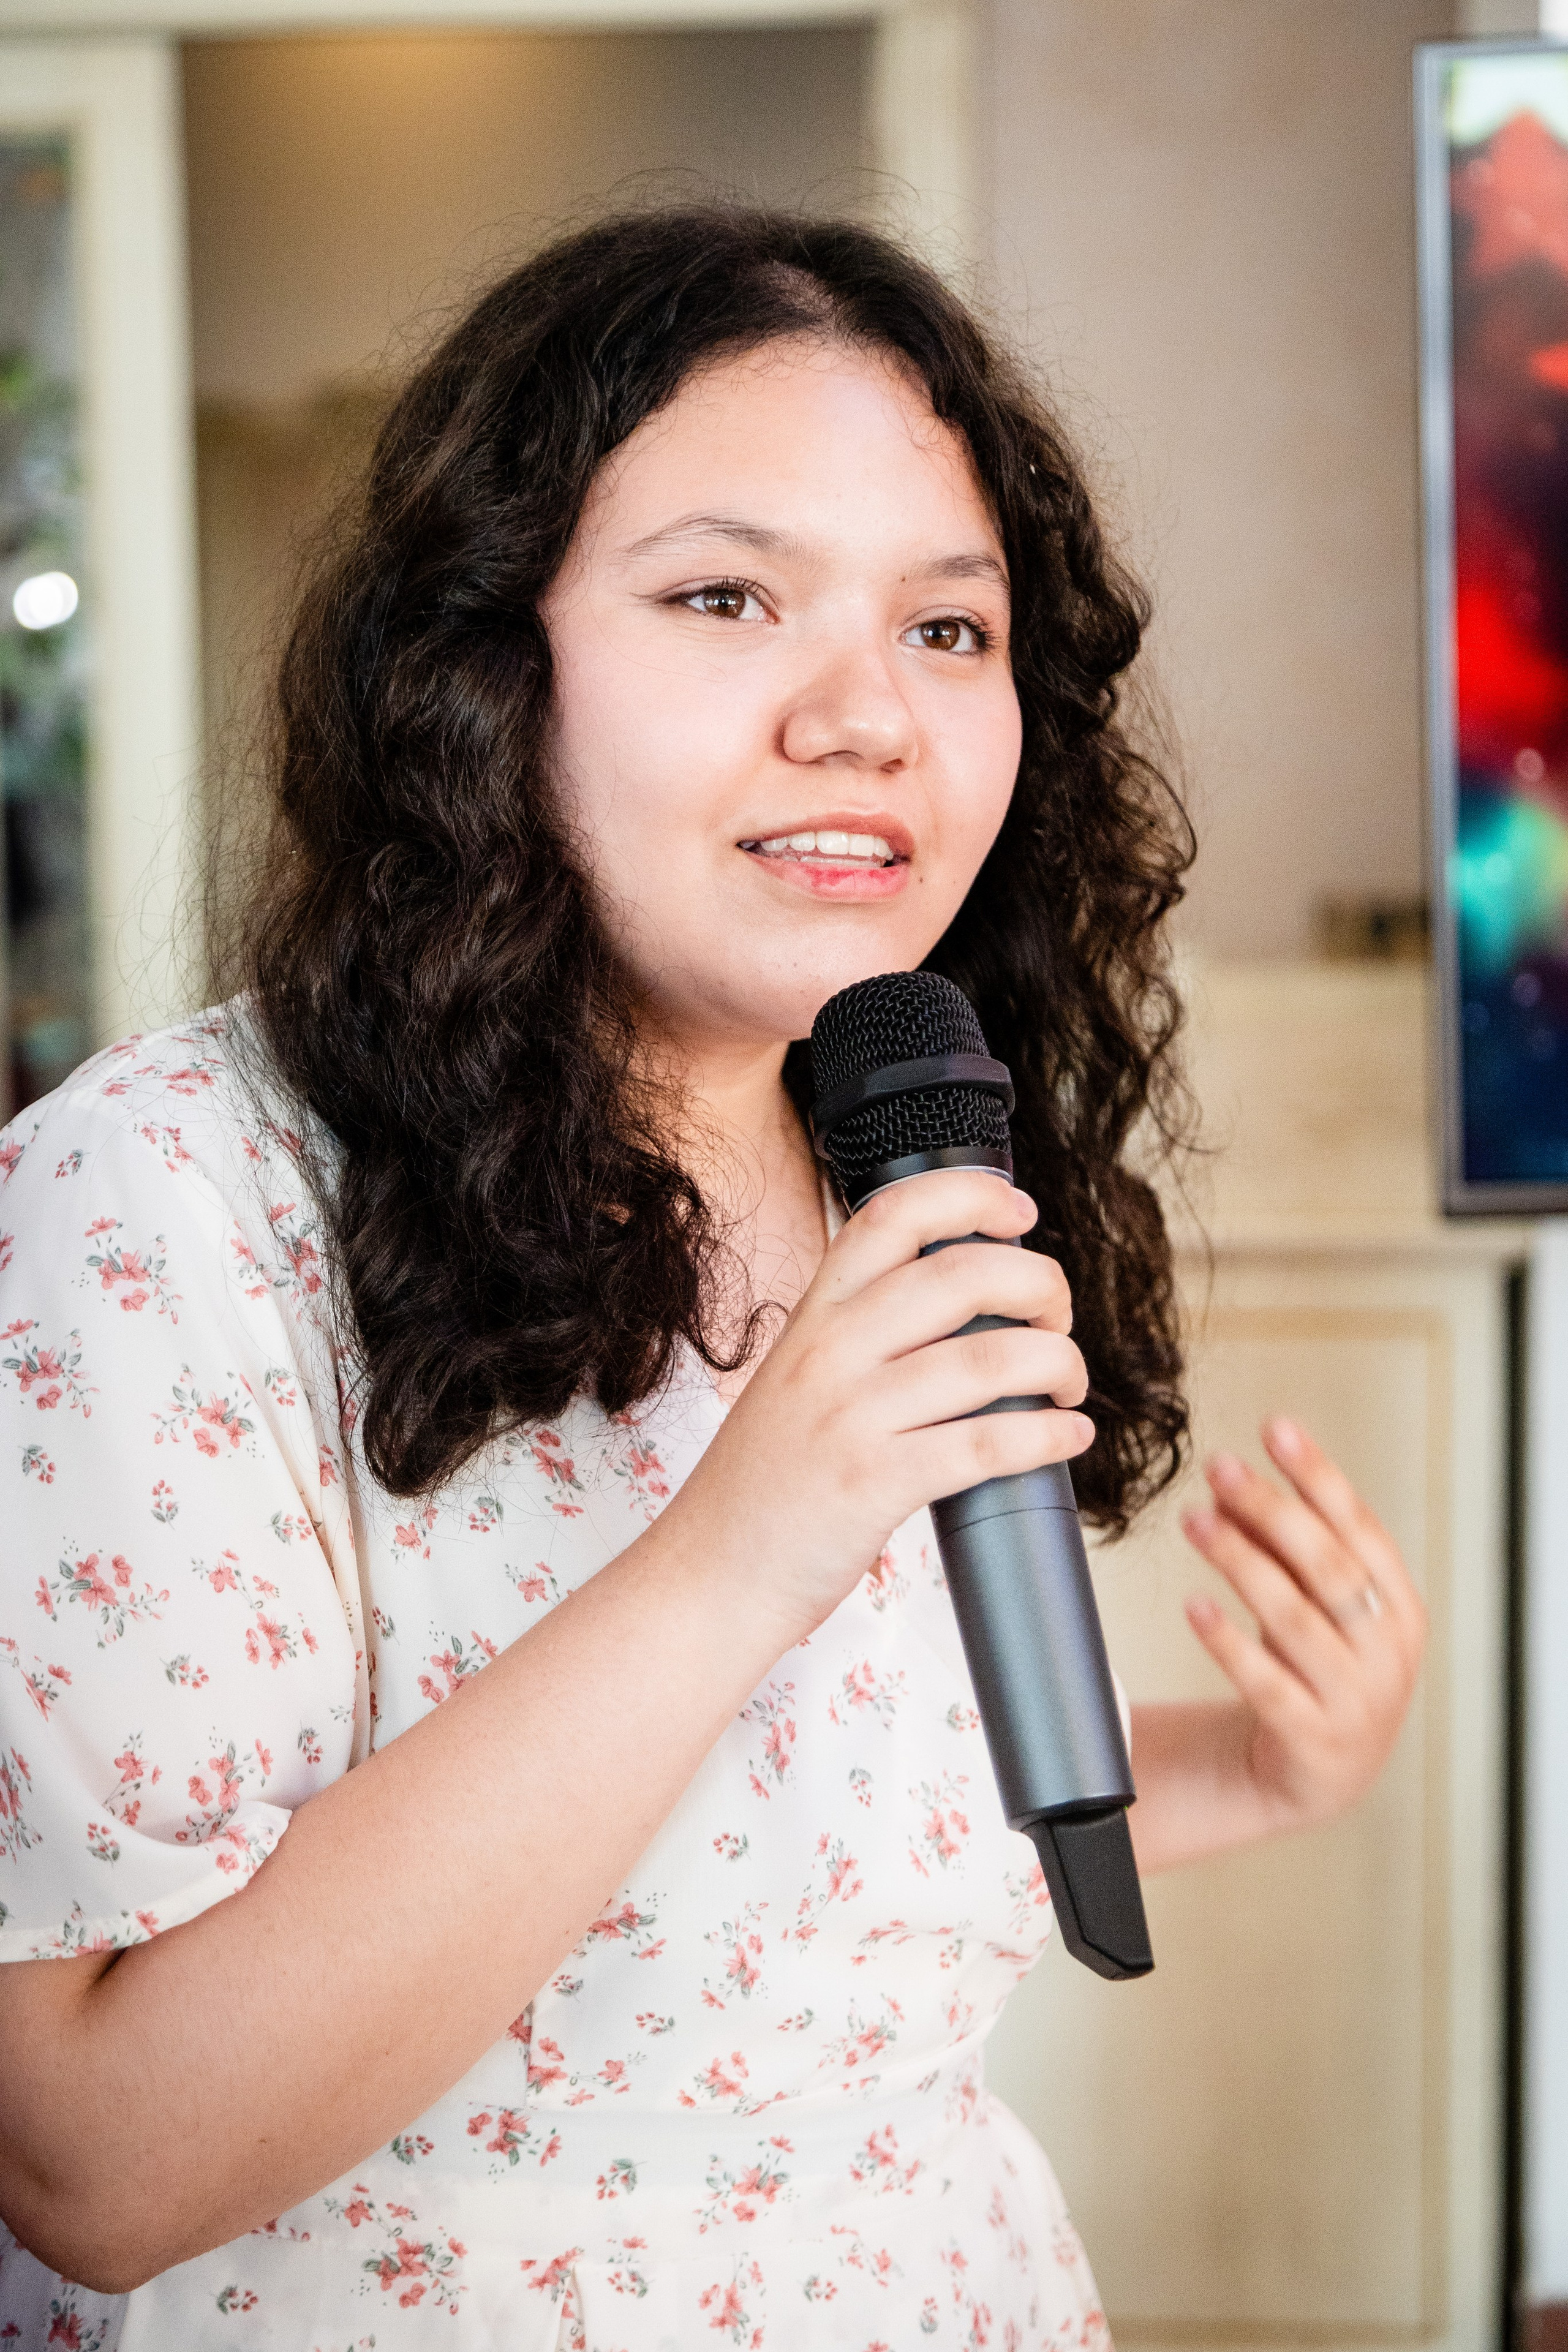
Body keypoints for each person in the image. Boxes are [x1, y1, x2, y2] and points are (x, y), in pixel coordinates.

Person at [0, 208, 1425, 2350]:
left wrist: (1250, 1765)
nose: (867, 717)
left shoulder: (900, 1131)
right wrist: (731, 1548)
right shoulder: (166, 1202)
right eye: (729, 598)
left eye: (952, 633)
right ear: (487, 665)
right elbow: (90, 2168)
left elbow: (807, 1839)